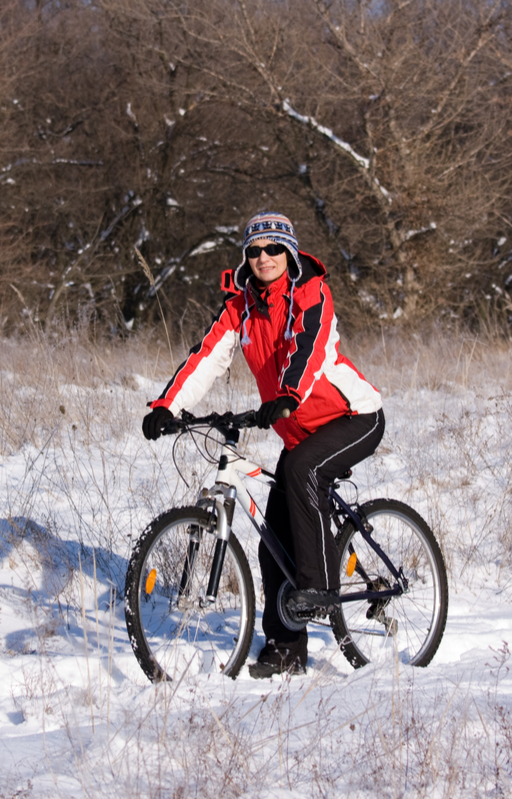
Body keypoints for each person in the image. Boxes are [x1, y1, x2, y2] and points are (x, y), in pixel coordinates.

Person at [141, 211, 384, 678]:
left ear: (289, 253)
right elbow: (207, 358)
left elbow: (306, 349)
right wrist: (166, 406)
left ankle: (319, 586)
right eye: (253, 250)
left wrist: (287, 395)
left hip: (353, 416)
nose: (263, 257)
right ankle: (286, 648)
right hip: (299, 430)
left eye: (273, 249)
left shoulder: (310, 292)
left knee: (301, 472)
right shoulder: (241, 307)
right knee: (273, 542)